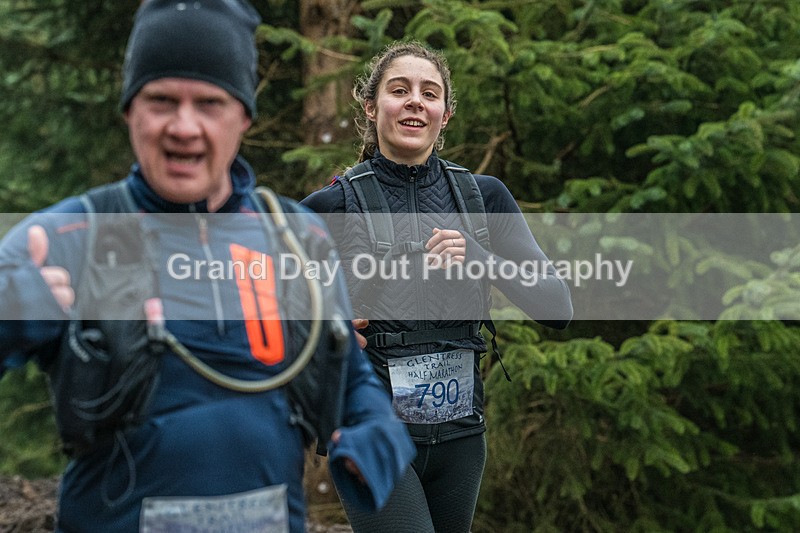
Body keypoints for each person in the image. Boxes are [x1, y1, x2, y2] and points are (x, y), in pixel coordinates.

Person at [0, 1, 414, 532]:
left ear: (243, 115)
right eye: (161, 100)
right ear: (129, 109)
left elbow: (350, 378)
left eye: (210, 103)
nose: (184, 126)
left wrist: (374, 435)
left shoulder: (297, 238)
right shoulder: (63, 238)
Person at [302, 41, 574, 532]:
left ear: (444, 114)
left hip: (460, 433)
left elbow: (558, 306)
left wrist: (482, 257)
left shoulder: (484, 198)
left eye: (429, 93)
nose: (414, 101)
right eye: (398, 89)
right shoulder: (329, 207)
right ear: (371, 105)